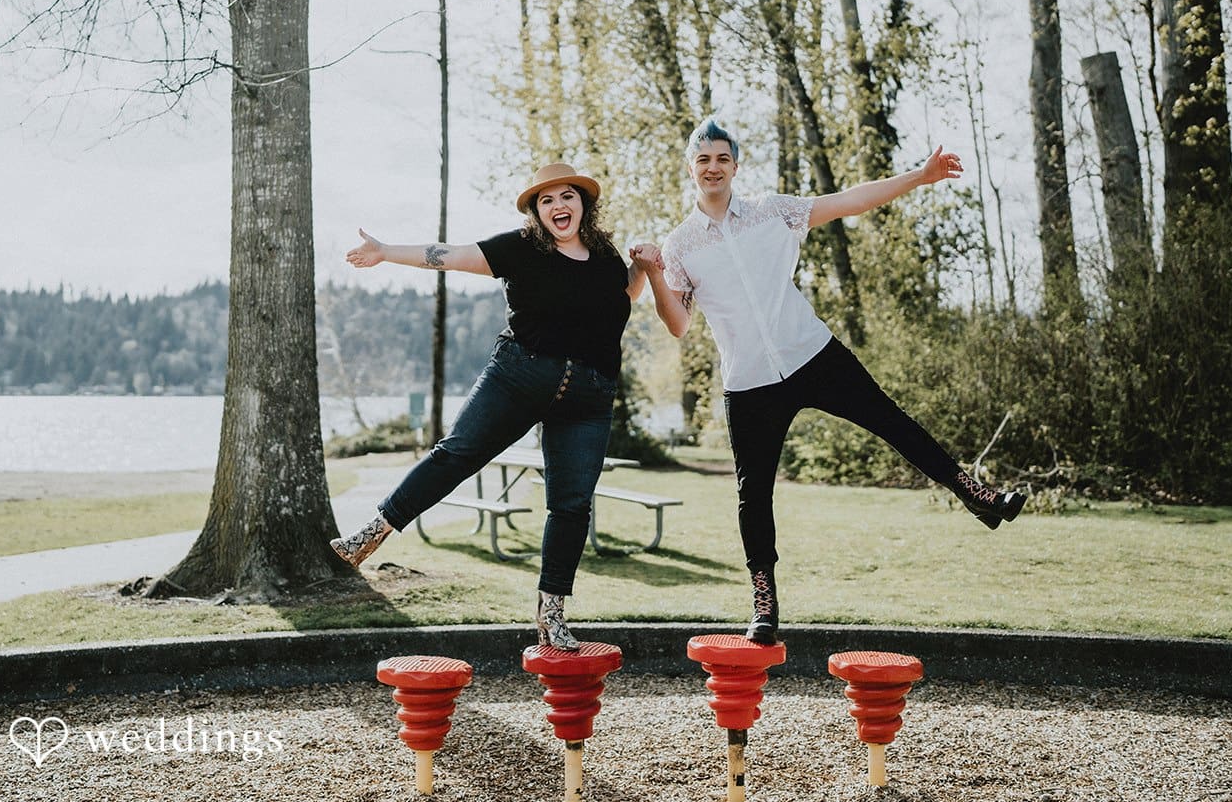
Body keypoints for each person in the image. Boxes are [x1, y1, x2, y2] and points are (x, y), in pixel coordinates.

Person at [632, 119, 1025, 645]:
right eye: (703, 160)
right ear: (691, 168)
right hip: (749, 381)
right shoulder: (679, 245)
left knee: (893, 421)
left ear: (735, 166)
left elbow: (851, 200)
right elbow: (677, 324)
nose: (712, 168)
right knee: (753, 494)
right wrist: (655, 272)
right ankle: (764, 601)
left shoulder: (773, 212)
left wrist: (920, 175)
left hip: (812, 353)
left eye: (722, 159)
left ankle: (976, 494)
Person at [332, 162, 647, 650]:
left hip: (589, 396)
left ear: (584, 204)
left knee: (571, 505)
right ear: (536, 212)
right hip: (519, 376)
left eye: (567, 196)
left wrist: (641, 269)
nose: (558, 206)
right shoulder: (521, 250)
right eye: (546, 200)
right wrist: (385, 252)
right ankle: (373, 532)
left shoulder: (606, 258)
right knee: (456, 453)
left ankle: (552, 613)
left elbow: (620, 298)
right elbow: (449, 256)